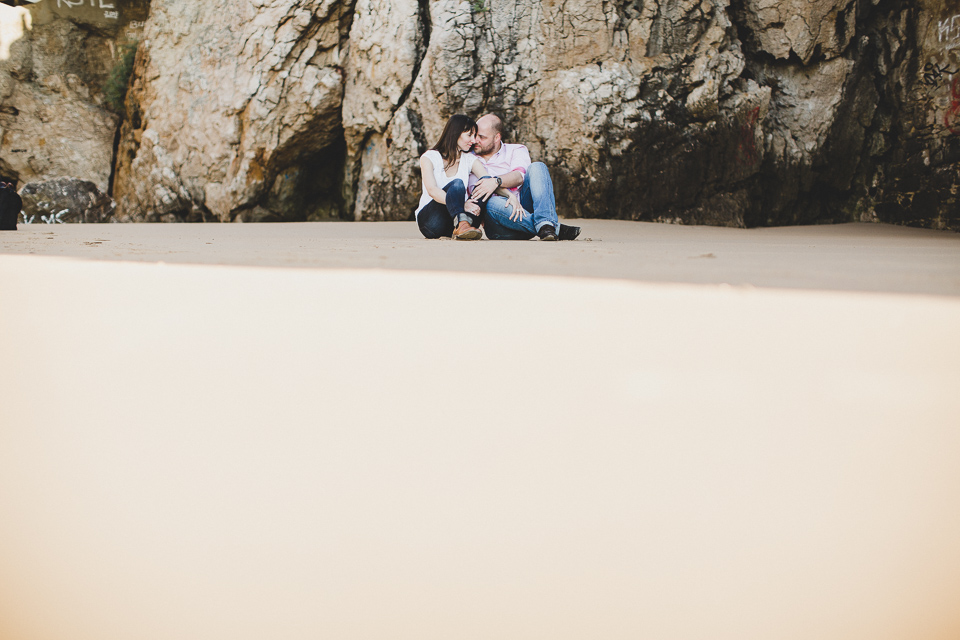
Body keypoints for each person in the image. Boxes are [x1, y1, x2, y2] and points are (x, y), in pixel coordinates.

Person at [468, 114, 580, 241]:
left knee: (538, 166)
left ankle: (545, 223)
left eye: (482, 137)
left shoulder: (516, 150)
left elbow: (519, 177)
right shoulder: (469, 158)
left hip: (523, 207)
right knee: (492, 202)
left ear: (497, 137)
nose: (475, 140)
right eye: (475, 135)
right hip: (498, 226)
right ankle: (548, 227)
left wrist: (496, 181)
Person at [416, 114, 489, 240]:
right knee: (457, 184)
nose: (474, 140)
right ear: (456, 133)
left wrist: (510, 196)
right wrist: (462, 205)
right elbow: (432, 190)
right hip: (432, 223)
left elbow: (488, 181)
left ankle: (463, 226)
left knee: (485, 185)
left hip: (459, 221)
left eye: (474, 136)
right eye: (469, 135)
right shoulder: (429, 157)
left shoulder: (469, 159)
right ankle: (462, 224)